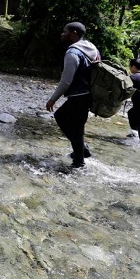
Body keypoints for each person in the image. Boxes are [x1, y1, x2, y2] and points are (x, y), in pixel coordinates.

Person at [45, 22, 100, 169]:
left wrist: (53, 99)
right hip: (90, 95)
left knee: (60, 117)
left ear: (73, 33)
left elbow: (66, 80)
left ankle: (79, 160)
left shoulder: (72, 53)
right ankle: (81, 154)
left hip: (78, 96)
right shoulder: (92, 48)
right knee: (78, 127)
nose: (62, 34)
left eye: (65, 31)